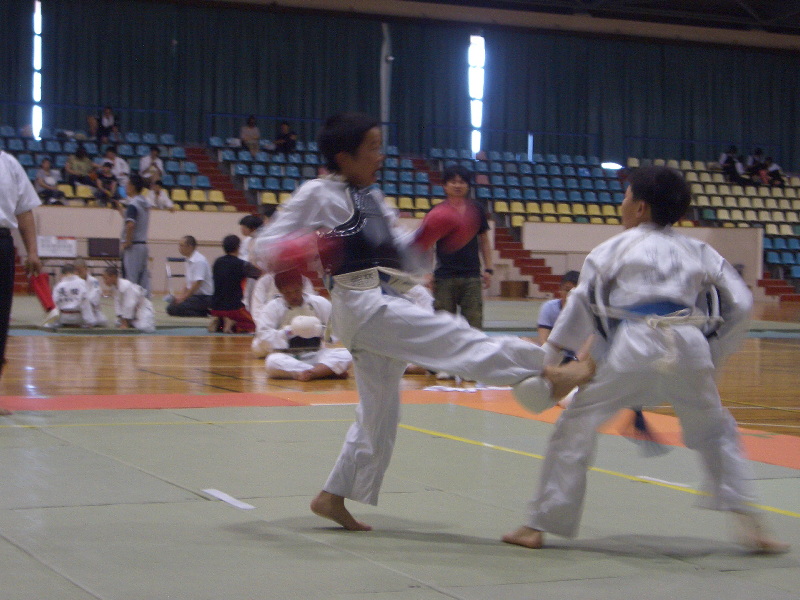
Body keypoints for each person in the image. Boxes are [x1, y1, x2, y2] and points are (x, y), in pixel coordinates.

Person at [254, 112, 593, 531]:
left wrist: (428, 235)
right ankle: (548, 368)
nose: (380, 156)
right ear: (344, 156)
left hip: (383, 299)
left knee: (380, 415)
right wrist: (299, 246)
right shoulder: (316, 193)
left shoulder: (372, 199)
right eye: (372, 148)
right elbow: (263, 245)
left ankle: (332, 496)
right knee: (456, 339)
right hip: (364, 306)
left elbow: (403, 258)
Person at [502, 165, 788, 554]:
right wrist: (714, 348)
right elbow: (740, 302)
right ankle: (753, 527)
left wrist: (547, 359)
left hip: (636, 343)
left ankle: (537, 525)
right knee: (715, 431)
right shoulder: (699, 250)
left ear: (640, 208)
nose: (621, 204)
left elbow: (580, 306)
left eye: (626, 197)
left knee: (577, 425)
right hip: (689, 342)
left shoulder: (612, 249)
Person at [429, 165, 492, 380]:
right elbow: (428, 243)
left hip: (472, 275)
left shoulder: (476, 210)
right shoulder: (438, 211)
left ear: (468, 186)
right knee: (443, 324)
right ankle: (446, 365)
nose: (458, 185)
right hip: (444, 276)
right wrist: (428, 273)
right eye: (453, 181)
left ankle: (471, 367)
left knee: (473, 324)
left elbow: (484, 241)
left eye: (462, 181)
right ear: (445, 186)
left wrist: (488, 268)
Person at [252, 268, 353, 381]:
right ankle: (323, 371)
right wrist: (289, 332)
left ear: (302, 286)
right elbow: (263, 337)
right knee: (272, 362)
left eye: (296, 290)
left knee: (346, 354)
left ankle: (309, 372)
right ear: (280, 291)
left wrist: (319, 330)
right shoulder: (272, 307)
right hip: (288, 356)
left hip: (316, 354)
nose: (293, 296)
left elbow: (336, 329)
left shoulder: (319, 303)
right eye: (287, 293)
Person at [0, 150, 42, 415]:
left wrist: (33, 252)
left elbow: (25, 210)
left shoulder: (8, 163)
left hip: (2, 241)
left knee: (0, 319)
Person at [208, 234, 261, 333]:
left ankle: (220, 322)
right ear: (238, 247)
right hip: (234, 308)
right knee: (255, 325)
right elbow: (259, 274)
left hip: (215, 307)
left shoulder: (217, 262)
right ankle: (231, 323)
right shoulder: (241, 264)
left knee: (223, 315)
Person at [166, 235, 213, 317]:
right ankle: (203, 311)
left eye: (181, 245)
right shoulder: (188, 260)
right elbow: (188, 283)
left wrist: (184, 298)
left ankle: (204, 313)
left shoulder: (199, 261)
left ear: (189, 247)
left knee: (174, 309)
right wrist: (180, 297)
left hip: (204, 297)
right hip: (196, 296)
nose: (179, 248)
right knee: (171, 307)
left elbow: (197, 283)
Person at [119, 174, 151, 293]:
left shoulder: (133, 205)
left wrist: (127, 242)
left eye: (127, 184)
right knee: (143, 281)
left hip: (133, 246)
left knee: (131, 281)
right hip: (142, 245)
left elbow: (131, 225)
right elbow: (132, 220)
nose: (126, 187)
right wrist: (119, 209)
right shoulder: (144, 203)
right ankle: (145, 303)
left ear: (132, 186)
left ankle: (131, 304)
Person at [101, 266, 155, 332]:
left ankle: (131, 321)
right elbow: (118, 304)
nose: (104, 281)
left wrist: (124, 323)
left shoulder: (126, 285)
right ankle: (130, 321)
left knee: (145, 327)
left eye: (106, 279)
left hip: (142, 308)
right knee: (118, 322)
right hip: (132, 313)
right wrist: (121, 318)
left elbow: (130, 304)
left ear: (113, 277)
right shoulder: (114, 288)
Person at [51, 264, 101, 328]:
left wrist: (55, 321)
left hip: (63, 318)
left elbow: (54, 304)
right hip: (78, 318)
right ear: (75, 272)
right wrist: (90, 321)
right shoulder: (81, 283)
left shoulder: (58, 286)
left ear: (62, 274)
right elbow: (85, 303)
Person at [239, 214, 264, 311]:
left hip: (261, 273)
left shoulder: (262, 240)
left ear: (252, 228)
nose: (242, 230)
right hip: (250, 274)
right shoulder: (247, 241)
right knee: (249, 298)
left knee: (259, 298)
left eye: (244, 227)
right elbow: (242, 256)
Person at [75, 258, 107, 327]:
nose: (78, 273)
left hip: (93, 309)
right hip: (79, 310)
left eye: (80, 271)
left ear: (86, 269)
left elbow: (96, 294)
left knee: (102, 321)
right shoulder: (74, 282)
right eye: (77, 271)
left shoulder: (94, 281)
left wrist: (87, 302)